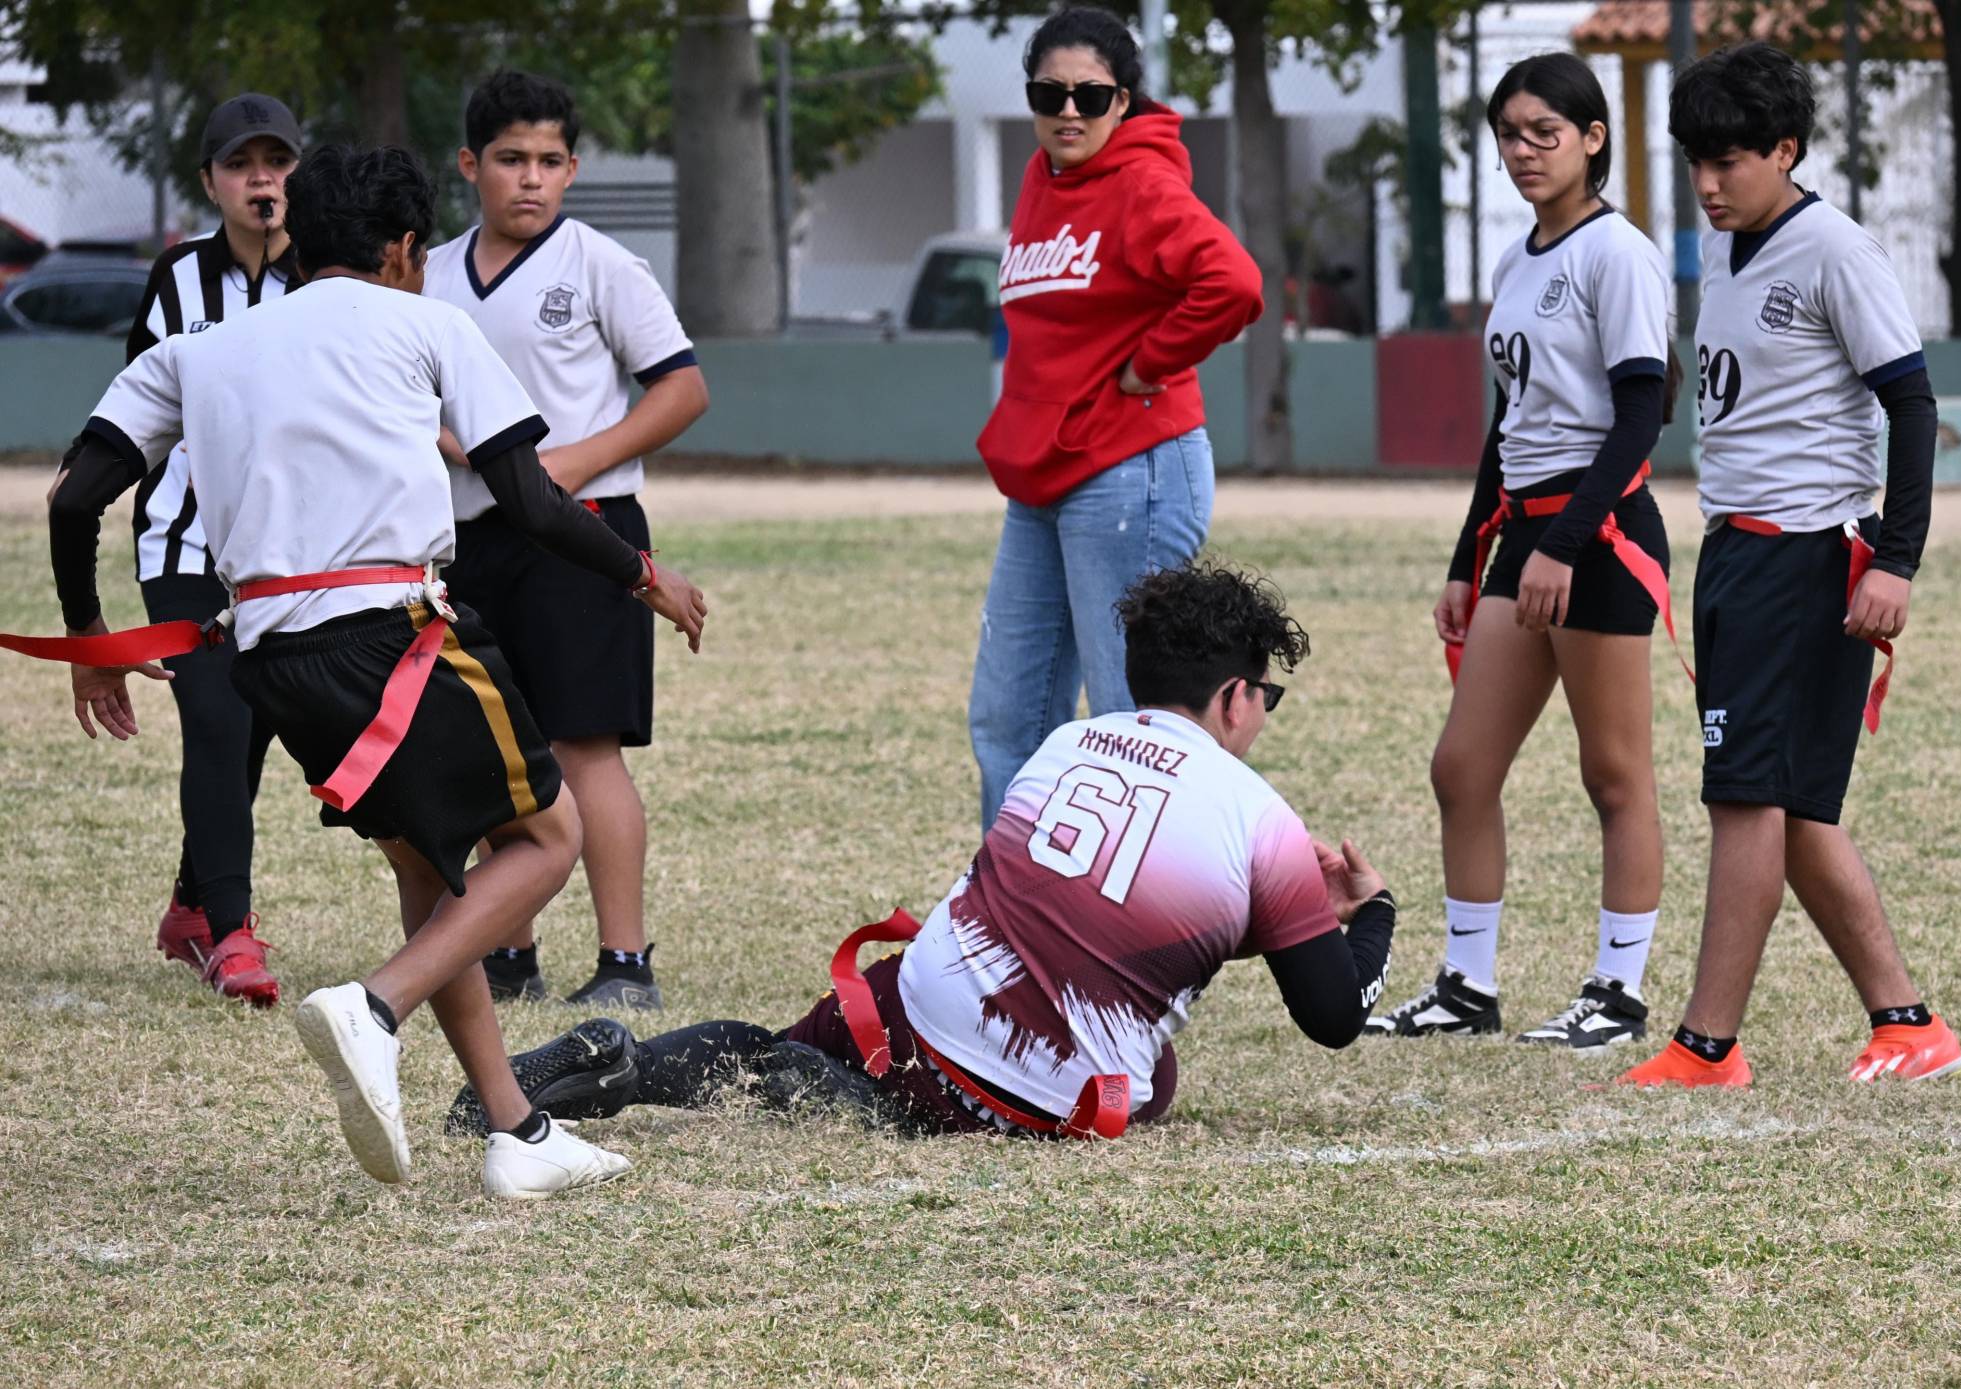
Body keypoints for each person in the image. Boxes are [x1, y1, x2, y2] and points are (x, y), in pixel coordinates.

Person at [42, 144, 708, 1197]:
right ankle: (376, 1007)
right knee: (545, 838)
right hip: (394, 634)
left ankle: (518, 1136)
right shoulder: (429, 321)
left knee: (428, 871)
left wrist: (89, 639)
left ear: (299, 235)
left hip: (266, 656)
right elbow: (529, 502)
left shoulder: (203, 347)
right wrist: (643, 575)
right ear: (405, 248)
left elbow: (75, 497)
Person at [443, 562, 1396, 1143]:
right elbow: (1334, 1019)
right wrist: (1368, 910)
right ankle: (845, 1103)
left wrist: (1271, 921)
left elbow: (1079, 901)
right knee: (1158, 1081)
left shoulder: (1067, 744)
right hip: (1026, 1089)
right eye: (1266, 694)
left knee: (769, 1046)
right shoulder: (1258, 817)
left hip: (916, 997)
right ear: (1235, 695)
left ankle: (626, 1064)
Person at [1620, 43, 1961, 1086]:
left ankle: (1704, 1046)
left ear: (1786, 149)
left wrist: (1891, 561)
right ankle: (1906, 1024)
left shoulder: (1834, 250)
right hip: (1735, 552)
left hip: (1800, 561)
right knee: (1796, 812)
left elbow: (1910, 403)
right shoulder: (1724, 248)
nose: (1705, 183)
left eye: (1727, 160)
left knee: (1743, 800)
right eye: (1692, 161)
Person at [1370, 54, 1676, 1049]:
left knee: (1613, 774)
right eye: (1508, 133)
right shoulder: (1517, 261)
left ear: (1592, 139)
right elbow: (1508, 432)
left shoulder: (1614, 253)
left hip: (1600, 531)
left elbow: (1642, 416)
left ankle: (1617, 994)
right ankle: (1466, 985)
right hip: (1524, 536)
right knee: (1460, 767)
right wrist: (1470, 560)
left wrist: (1563, 543)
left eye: (1545, 131)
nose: (1522, 151)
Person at [426, 71, 710, 1010]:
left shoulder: (602, 266)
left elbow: (680, 390)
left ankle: (624, 961)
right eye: (510, 159)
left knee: (586, 752)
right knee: (492, 748)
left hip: (586, 535)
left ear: (574, 169)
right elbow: (404, 400)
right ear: (472, 166)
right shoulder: (427, 274)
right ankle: (508, 949)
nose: (531, 179)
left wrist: (578, 461)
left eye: (550, 161)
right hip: (467, 539)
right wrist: (461, 453)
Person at [968, 5, 1262, 831]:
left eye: (1090, 98)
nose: (1068, 112)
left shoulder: (1142, 185)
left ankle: (1143, 920)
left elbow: (1234, 284)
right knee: (1007, 720)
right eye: (1049, 93)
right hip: (1044, 476)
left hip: (1131, 473)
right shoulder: (1042, 177)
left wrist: (1145, 366)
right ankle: (1017, 914)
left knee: (1132, 724)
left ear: (1124, 103)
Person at [124, 93, 305, 1006]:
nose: (262, 178)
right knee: (219, 716)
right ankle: (231, 936)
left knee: (259, 720)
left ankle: (193, 902)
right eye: (242, 164)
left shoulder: (323, 275)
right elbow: (139, 401)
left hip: (284, 548)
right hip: (182, 540)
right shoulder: (177, 278)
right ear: (211, 182)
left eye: (277, 161)